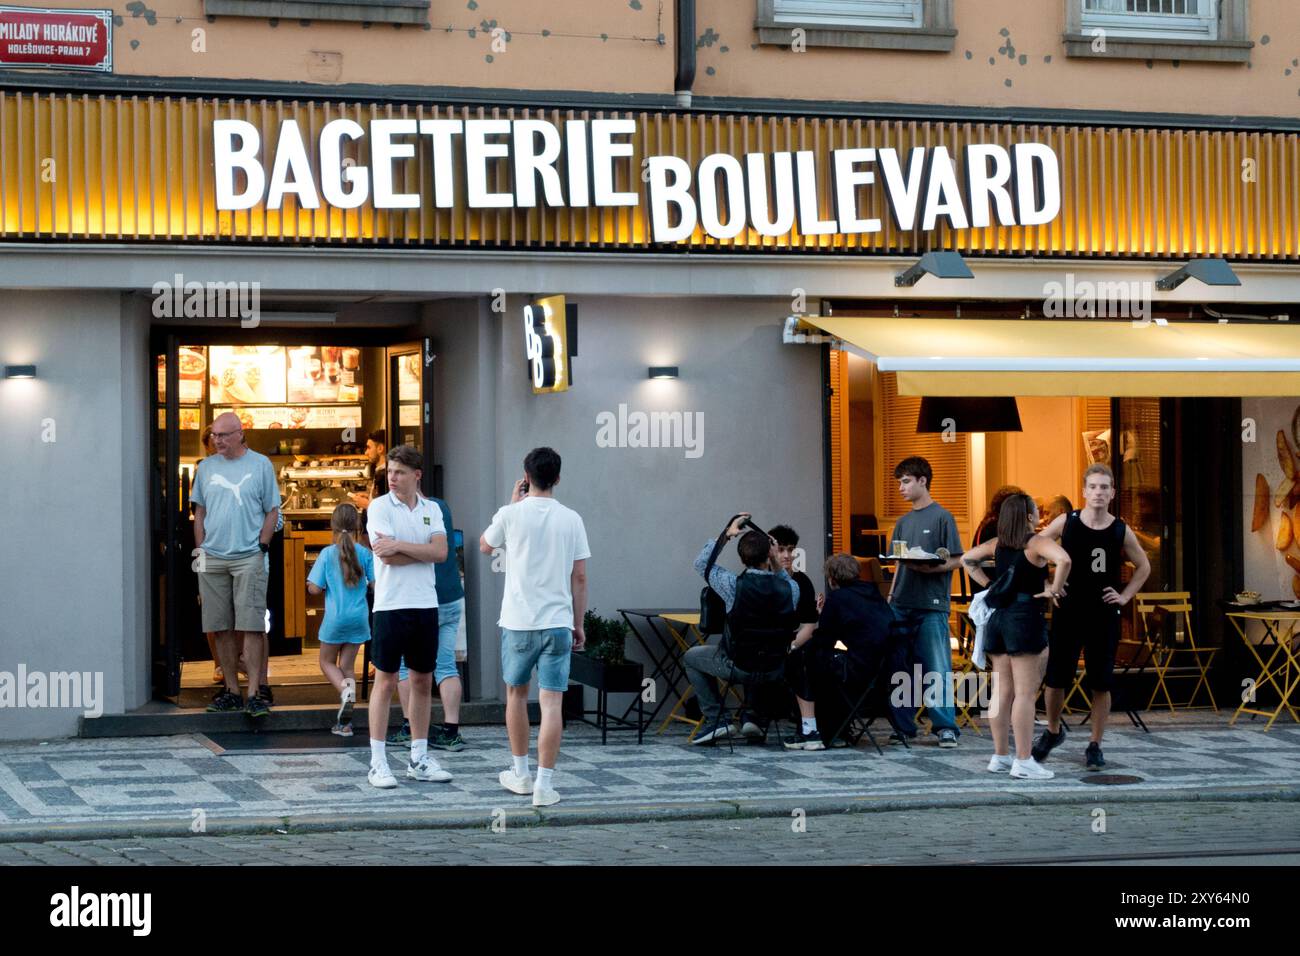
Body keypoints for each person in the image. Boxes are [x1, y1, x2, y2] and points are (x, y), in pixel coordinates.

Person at [480, 447, 590, 807]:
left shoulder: (511, 514)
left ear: (525, 477)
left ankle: (521, 773)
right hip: (558, 621)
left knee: (515, 695)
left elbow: (484, 545)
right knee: (552, 702)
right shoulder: (571, 518)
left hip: (518, 621)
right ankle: (545, 784)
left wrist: (511, 504)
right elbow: (580, 576)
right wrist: (578, 623)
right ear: (557, 478)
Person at [1033, 464, 1151, 771]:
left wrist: (1125, 596)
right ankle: (1053, 731)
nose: (1098, 492)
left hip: (1103, 613)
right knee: (1057, 678)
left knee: (1100, 682)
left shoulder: (1119, 529)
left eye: (1104, 487)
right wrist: (1047, 584)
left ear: (1112, 493)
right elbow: (1035, 547)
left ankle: (1095, 744)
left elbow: (1144, 567)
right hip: (1069, 610)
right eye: (1093, 487)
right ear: (1084, 491)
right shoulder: (1067, 522)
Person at [963, 494, 1072, 780]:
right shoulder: (1035, 542)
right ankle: (1024, 760)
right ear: (1027, 516)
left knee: (1001, 691)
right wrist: (1054, 589)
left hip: (997, 618)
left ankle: (1000, 755)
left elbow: (967, 559)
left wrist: (990, 584)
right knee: (1025, 693)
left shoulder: (997, 544)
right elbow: (1064, 559)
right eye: (1037, 510)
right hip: (1024, 618)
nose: (1040, 514)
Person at [364, 444, 452, 789]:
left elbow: (442, 552)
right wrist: (421, 552)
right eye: (389, 471)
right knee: (385, 681)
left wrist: (401, 546)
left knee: (421, 681)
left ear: (417, 475)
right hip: (389, 605)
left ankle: (419, 757)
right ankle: (378, 761)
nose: (392, 478)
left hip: (424, 604)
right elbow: (386, 557)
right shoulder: (379, 507)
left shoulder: (432, 509)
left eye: (399, 472)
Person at [194, 412, 282, 717]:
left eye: (223, 435)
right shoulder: (205, 468)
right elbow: (200, 512)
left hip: (249, 555)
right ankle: (231, 690)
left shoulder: (260, 465)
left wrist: (262, 545)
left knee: (252, 625)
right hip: (213, 556)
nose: (217, 440)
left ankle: (257, 692)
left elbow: (272, 510)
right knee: (220, 627)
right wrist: (200, 549)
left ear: (239, 434)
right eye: (215, 435)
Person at [685, 513, 800, 745]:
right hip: (774, 668)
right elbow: (784, 579)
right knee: (762, 648)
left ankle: (717, 720)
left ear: (741, 558)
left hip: (738, 665)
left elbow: (700, 564)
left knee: (691, 656)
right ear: (770, 554)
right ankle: (755, 718)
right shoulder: (791, 589)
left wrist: (727, 533)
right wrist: (775, 558)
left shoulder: (732, 585)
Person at [887, 456, 964, 747]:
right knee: (899, 667)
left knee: (937, 668)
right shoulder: (902, 522)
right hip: (901, 601)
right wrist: (891, 596)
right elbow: (897, 563)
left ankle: (945, 726)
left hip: (931, 604)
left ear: (923, 480)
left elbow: (957, 560)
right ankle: (904, 726)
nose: (901, 488)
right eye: (899, 483)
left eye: (906, 481)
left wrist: (929, 567)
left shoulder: (943, 517)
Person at [785, 553, 898, 750]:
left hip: (855, 670)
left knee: (801, 660)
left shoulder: (838, 598)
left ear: (831, 578)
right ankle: (838, 731)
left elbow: (824, 639)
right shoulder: (873, 593)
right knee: (818, 662)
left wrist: (819, 620)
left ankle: (809, 730)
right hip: (881, 670)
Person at [386, 494, 468, 751]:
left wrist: (397, 546)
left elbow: (395, 554)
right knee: (446, 666)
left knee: (403, 666)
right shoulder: (441, 506)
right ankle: (451, 731)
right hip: (453, 596)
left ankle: (411, 726)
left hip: (424, 599)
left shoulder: (408, 515)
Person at [308, 503, 375, 737]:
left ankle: (345, 692)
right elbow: (376, 584)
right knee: (347, 666)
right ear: (357, 525)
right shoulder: (365, 554)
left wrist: (313, 584)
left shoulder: (327, 554)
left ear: (332, 526)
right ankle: (345, 724)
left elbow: (315, 589)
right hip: (359, 618)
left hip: (335, 619)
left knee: (326, 662)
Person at [768, 525, 822, 748]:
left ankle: (810, 728)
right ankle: (754, 716)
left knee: (800, 660)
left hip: (793, 645)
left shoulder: (802, 582)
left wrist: (791, 646)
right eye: (781, 550)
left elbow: (810, 625)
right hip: (763, 644)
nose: (787, 555)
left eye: (790, 550)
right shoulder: (761, 579)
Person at [349, 429, 388, 513]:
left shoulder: (387, 475)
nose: (366, 452)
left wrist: (367, 504)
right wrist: (369, 497)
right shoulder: (380, 472)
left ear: (380, 448)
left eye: (369, 447)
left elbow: (388, 511)